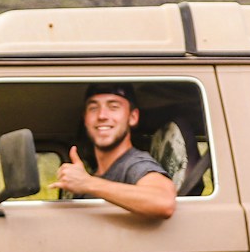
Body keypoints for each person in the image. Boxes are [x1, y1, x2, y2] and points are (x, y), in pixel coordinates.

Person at [56, 83, 177, 220]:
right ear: (85, 119)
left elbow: (164, 202)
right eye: (93, 108)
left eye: (113, 107)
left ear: (132, 117)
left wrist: (87, 183)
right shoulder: (96, 173)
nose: (102, 115)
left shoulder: (135, 164)